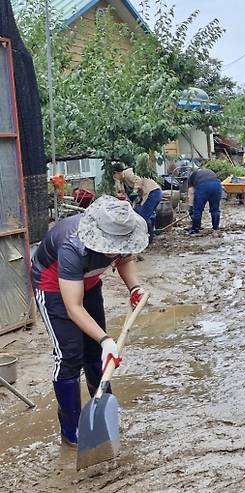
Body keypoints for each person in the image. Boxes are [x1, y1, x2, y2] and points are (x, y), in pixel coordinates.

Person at [31, 195, 148, 447]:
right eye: (112, 244)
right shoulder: (73, 247)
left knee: (95, 352)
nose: (116, 249)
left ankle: (102, 406)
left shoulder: (121, 230)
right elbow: (73, 307)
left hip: (89, 281)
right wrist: (107, 340)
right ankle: (70, 427)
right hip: (52, 286)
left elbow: (124, 259)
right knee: (70, 354)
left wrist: (134, 288)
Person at [112, 162, 162, 244]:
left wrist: (135, 191)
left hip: (152, 192)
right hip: (153, 193)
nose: (115, 178)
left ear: (117, 173)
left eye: (114, 176)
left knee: (142, 218)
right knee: (146, 216)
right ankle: (150, 238)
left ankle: (143, 240)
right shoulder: (124, 181)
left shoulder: (128, 173)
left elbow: (138, 180)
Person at [187, 166, 222, 235]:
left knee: (197, 210)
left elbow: (191, 192)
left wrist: (191, 208)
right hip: (217, 185)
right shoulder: (209, 171)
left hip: (203, 186)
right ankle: (216, 229)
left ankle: (195, 230)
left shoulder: (192, 175)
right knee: (215, 209)